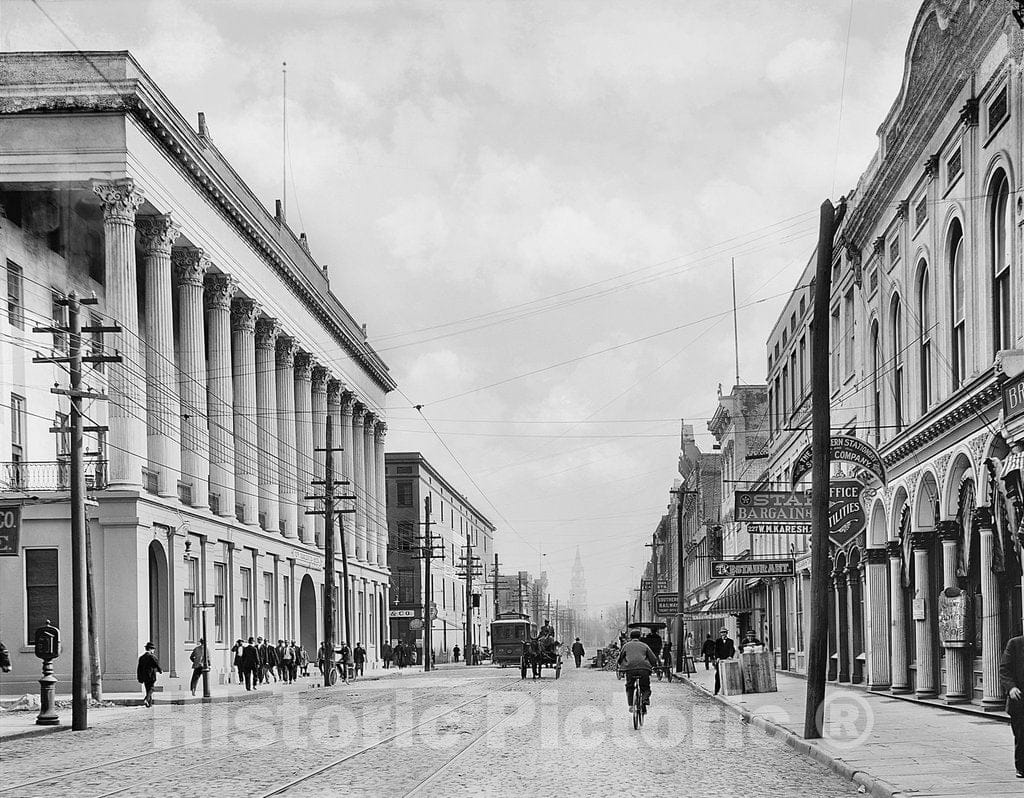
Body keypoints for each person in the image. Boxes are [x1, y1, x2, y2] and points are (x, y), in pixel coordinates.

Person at [999, 633, 1024, 779]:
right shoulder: (1015, 644)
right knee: (1021, 736)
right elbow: (1004, 670)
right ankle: (1021, 767)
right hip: (1020, 700)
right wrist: (1011, 687)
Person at [616, 630, 659, 713]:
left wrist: (622, 666)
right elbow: (653, 658)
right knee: (645, 687)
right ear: (639, 637)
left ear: (630, 637)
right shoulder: (644, 645)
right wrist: (654, 666)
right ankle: (644, 699)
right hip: (644, 669)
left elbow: (620, 658)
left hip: (630, 669)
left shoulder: (626, 646)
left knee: (629, 686)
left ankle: (631, 705)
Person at [136, 642, 162, 707]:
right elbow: (156, 664)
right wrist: (160, 670)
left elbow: (139, 668)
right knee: (152, 689)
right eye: (153, 649)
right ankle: (146, 699)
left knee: (147, 690)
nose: (153, 650)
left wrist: (139, 677)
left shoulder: (141, 658)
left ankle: (149, 704)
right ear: (150, 649)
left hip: (144, 676)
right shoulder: (152, 657)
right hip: (151, 676)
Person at [713, 627, 735, 695]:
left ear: (726, 633)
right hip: (720, 660)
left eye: (724, 632)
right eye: (722, 633)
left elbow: (732, 649)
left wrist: (730, 656)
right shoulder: (718, 641)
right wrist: (717, 657)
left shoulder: (730, 641)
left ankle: (729, 690)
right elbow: (716, 650)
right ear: (720, 634)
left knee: (729, 675)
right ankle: (716, 691)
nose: (723, 634)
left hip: (727, 660)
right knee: (718, 676)